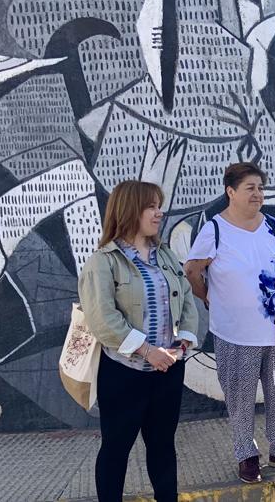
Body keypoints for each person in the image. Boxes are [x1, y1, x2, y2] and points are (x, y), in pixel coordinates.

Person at [184, 162, 275, 483]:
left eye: (260, 188)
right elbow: (191, 271)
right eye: (250, 188)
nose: (258, 194)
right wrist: (208, 297)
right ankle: (246, 454)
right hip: (235, 332)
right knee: (240, 397)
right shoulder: (214, 229)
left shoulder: (273, 225)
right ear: (231, 192)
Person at [78, 181, 199, 502]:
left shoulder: (167, 255)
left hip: (168, 370)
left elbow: (186, 300)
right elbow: (102, 318)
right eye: (151, 207)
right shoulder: (103, 262)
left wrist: (180, 347)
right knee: (116, 448)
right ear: (130, 210)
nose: (159, 213)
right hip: (123, 372)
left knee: (163, 446)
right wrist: (148, 351)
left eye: (159, 205)